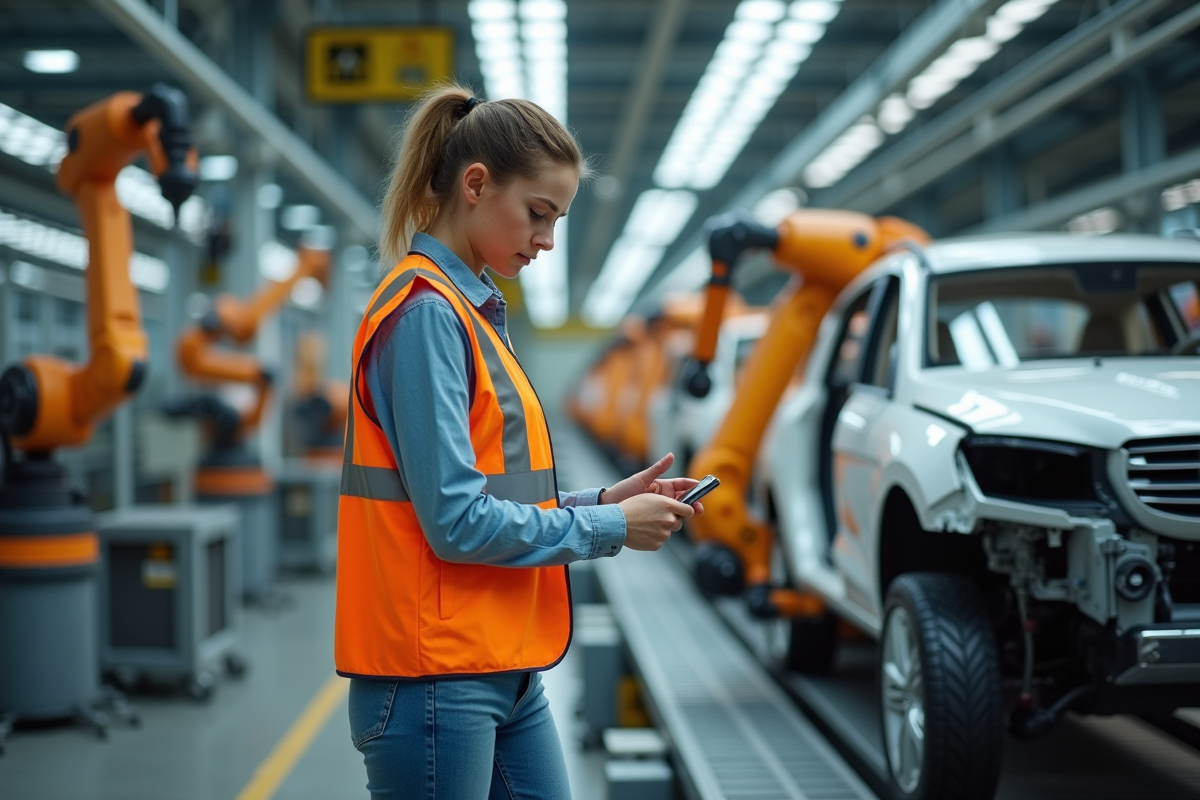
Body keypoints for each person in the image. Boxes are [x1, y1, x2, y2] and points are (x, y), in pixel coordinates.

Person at [336, 82, 704, 800]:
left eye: (557, 219)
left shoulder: (472, 314)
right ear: (476, 184)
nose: (547, 240)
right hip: (435, 680)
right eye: (539, 214)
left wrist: (603, 500)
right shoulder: (426, 317)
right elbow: (455, 522)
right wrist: (607, 528)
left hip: (500, 664)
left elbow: (494, 491)